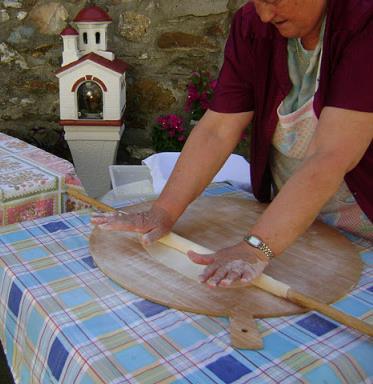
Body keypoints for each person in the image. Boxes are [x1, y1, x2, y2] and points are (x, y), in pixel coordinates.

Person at [92, 0, 373, 288]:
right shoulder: (252, 25)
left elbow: (330, 156)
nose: (265, 15)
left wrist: (255, 248)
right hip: (293, 225)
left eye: (274, 0)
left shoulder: (364, 23)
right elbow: (218, 129)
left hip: (363, 226)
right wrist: (162, 211)